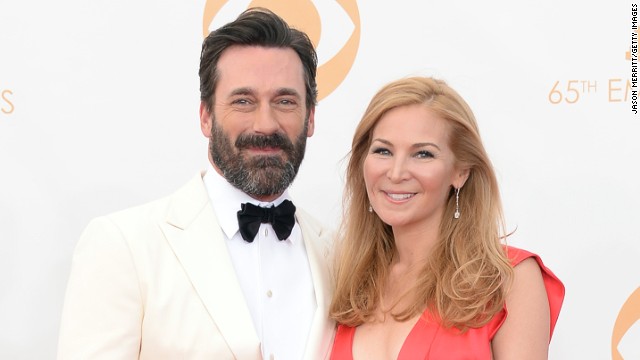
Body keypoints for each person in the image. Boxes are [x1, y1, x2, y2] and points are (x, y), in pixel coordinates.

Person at [57, 8, 335, 360]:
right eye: (243, 101)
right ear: (206, 116)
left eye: (284, 101)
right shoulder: (124, 246)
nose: (265, 124)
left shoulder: (339, 255)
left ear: (310, 117)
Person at [329, 77, 564, 359]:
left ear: (460, 172)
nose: (396, 172)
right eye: (383, 151)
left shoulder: (507, 281)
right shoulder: (343, 283)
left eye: (423, 154)